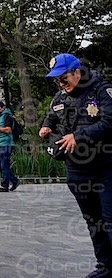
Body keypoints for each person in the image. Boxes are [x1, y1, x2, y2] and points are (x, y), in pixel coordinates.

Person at [39, 53, 112, 278]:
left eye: (64, 79)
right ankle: (105, 266)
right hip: (77, 170)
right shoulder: (60, 97)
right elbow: (51, 117)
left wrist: (78, 136)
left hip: (105, 168)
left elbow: (109, 121)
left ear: (77, 73)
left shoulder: (101, 90)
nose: (61, 84)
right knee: (93, 221)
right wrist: (45, 128)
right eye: (57, 81)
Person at [0, 99, 20, 192]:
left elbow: (7, 130)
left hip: (6, 144)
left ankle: (4, 185)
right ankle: (14, 180)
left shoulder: (7, 117)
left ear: (3, 107)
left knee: (4, 165)